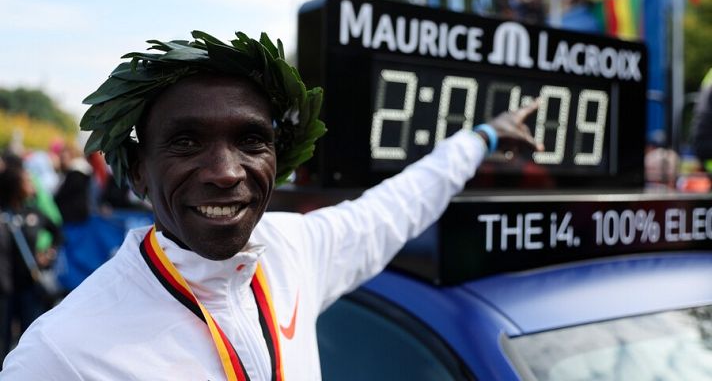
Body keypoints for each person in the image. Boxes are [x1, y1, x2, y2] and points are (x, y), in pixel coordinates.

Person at [1, 31, 540, 380]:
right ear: (140, 170)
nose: (226, 172)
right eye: (187, 141)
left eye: (251, 140)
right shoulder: (59, 353)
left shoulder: (295, 248)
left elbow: (399, 205)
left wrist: (484, 138)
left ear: (276, 157)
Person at [0, 153, 62, 364]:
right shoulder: (3, 214)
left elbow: (58, 233)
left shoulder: (34, 213)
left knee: (30, 341)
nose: (31, 184)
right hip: (4, 290)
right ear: (14, 184)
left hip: (30, 286)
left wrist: (48, 254)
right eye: (26, 180)